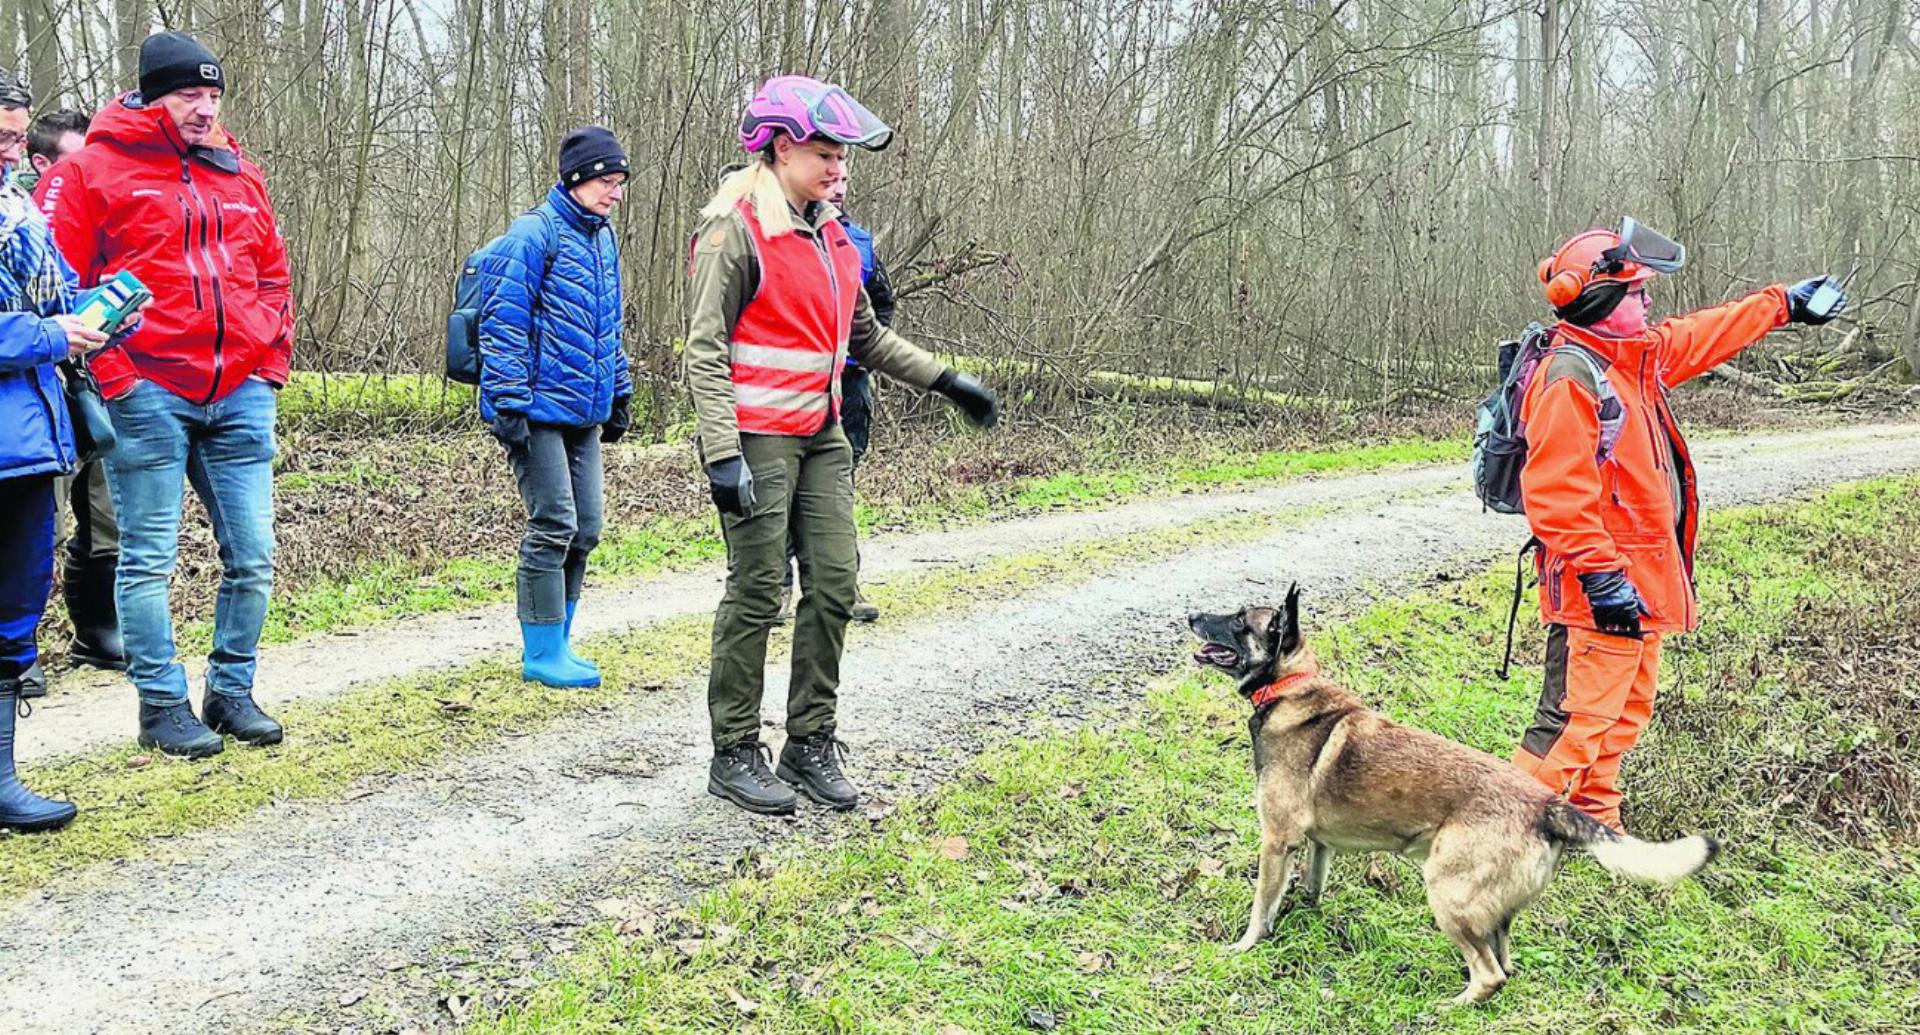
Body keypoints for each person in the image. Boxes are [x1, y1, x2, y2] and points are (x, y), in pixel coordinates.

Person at [685, 75, 998, 816]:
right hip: (757, 438)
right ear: (783, 149)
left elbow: (865, 336)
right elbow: (702, 350)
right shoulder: (735, 229)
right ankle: (734, 751)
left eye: (845, 159)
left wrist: (947, 380)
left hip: (822, 435)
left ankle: (809, 741)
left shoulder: (833, 237)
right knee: (759, 591)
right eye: (827, 155)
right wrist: (722, 453)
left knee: (833, 586)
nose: (839, 170)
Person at [1513, 219, 1845, 831]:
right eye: (1637, 292)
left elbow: (1704, 332)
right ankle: (1501, 831)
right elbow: (1558, 497)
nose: (1649, 300)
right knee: (1576, 719)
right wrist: (1604, 577)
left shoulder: (1634, 358)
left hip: (1640, 578)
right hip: (1599, 585)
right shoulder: (1570, 378)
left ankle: (1594, 816)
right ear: (1600, 301)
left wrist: (1784, 304)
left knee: (1626, 709)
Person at [37, 32, 296, 758]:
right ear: (153, 95)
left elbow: (272, 273)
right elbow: (59, 287)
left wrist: (269, 360)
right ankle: (160, 704)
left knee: (254, 554)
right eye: (190, 95)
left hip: (241, 389)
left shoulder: (240, 171)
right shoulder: (94, 169)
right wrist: (116, 376)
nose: (205, 109)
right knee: (148, 557)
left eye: (214, 95)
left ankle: (231, 692)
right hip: (146, 389)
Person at [477, 126, 633, 688]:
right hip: (534, 409)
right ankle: (540, 652)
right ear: (577, 180)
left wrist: (619, 391)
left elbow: (607, 326)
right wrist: (509, 400)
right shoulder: (532, 234)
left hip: (582, 410)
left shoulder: (602, 239)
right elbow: (502, 323)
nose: (615, 192)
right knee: (553, 524)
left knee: (586, 527)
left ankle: (561, 642)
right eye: (607, 182)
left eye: (620, 183)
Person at [0, 68, 105, 832]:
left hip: (28, 439)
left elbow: (60, 291)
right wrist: (47, 335)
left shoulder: (22, 217)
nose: (13, 153)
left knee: (14, 606)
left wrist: (103, 309)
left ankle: (1, 778)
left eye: (16, 136)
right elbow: (37, 326)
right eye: (1, 137)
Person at [12, 108, 120, 701]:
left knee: (104, 516)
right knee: (37, 523)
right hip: (30, 390)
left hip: (87, 381)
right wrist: (54, 335)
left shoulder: (39, 222)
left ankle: (97, 633)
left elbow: (68, 290)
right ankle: (19, 651)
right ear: (42, 163)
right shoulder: (21, 220)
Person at [776, 172, 896, 625]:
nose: (839, 186)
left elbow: (882, 302)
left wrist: (863, 354)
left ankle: (842, 583)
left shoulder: (857, 241)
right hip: (793, 389)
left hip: (849, 387)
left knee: (838, 487)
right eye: (832, 176)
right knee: (786, 488)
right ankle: (780, 586)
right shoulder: (776, 233)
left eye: (846, 179)